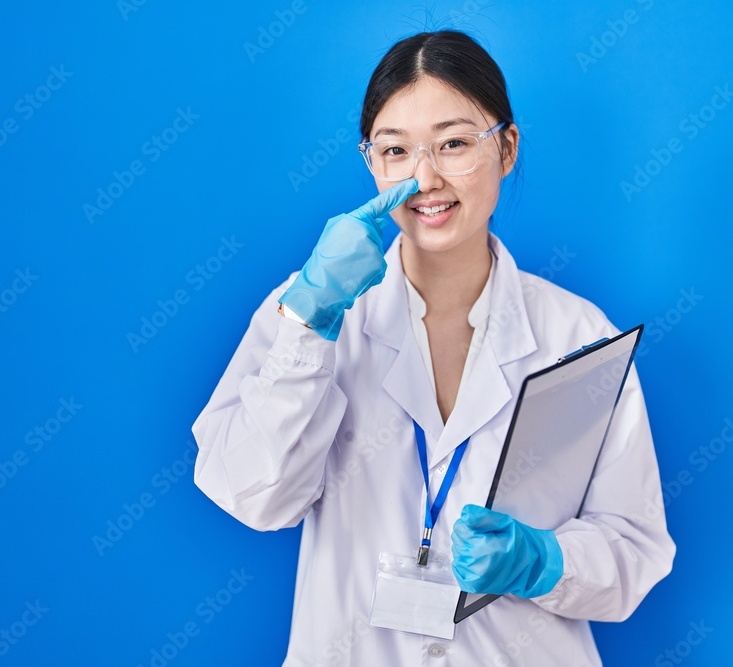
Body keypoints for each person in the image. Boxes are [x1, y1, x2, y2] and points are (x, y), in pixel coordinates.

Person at [193, 29, 674, 666]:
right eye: (396, 151)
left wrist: (545, 561)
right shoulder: (310, 307)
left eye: (453, 144)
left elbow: (634, 549)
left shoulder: (578, 335)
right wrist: (310, 325)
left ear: (506, 148)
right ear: (372, 164)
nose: (424, 178)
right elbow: (255, 496)